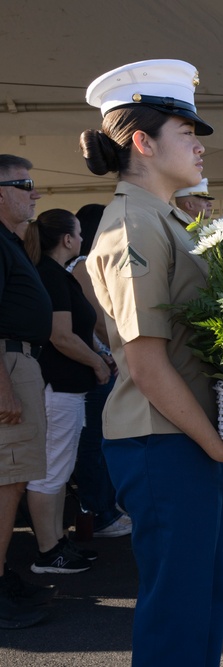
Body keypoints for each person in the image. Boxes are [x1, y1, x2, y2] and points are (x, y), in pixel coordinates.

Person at [81, 59, 223, 665]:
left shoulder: (166, 220)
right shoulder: (133, 226)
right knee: (178, 613)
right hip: (163, 439)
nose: (198, 145)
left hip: (188, 433)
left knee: (206, 599)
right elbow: (144, 362)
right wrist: (216, 444)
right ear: (142, 140)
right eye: (186, 132)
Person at [22, 210, 112, 575]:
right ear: (68, 239)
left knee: (57, 468)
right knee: (50, 470)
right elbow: (61, 336)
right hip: (57, 386)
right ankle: (48, 550)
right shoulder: (52, 275)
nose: (82, 239)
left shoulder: (53, 273)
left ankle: (56, 543)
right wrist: (98, 362)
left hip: (65, 388)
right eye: (78, 233)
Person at [0, 154, 55, 629]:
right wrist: (4, 389)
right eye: (24, 183)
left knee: (12, 481)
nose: (34, 192)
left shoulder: (11, 243)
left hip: (20, 363)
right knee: (6, 481)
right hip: (9, 365)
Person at [70, 204, 131, 540]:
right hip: (101, 363)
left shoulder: (84, 264)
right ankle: (100, 512)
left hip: (104, 361)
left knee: (100, 439)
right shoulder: (81, 265)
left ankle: (105, 509)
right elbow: (99, 317)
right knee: (96, 442)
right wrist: (121, 355)